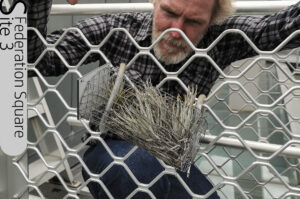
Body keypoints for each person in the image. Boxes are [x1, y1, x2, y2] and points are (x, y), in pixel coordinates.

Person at [25, 0, 300, 198]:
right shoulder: (120, 28)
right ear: (155, 2)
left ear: (211, 22)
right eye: (169, 12)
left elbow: (277, 29)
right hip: (113, 151)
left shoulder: (222, 38)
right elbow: (36, 58)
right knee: (133, 168)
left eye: (193, 22)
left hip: (175, 161)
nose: (176, 31)